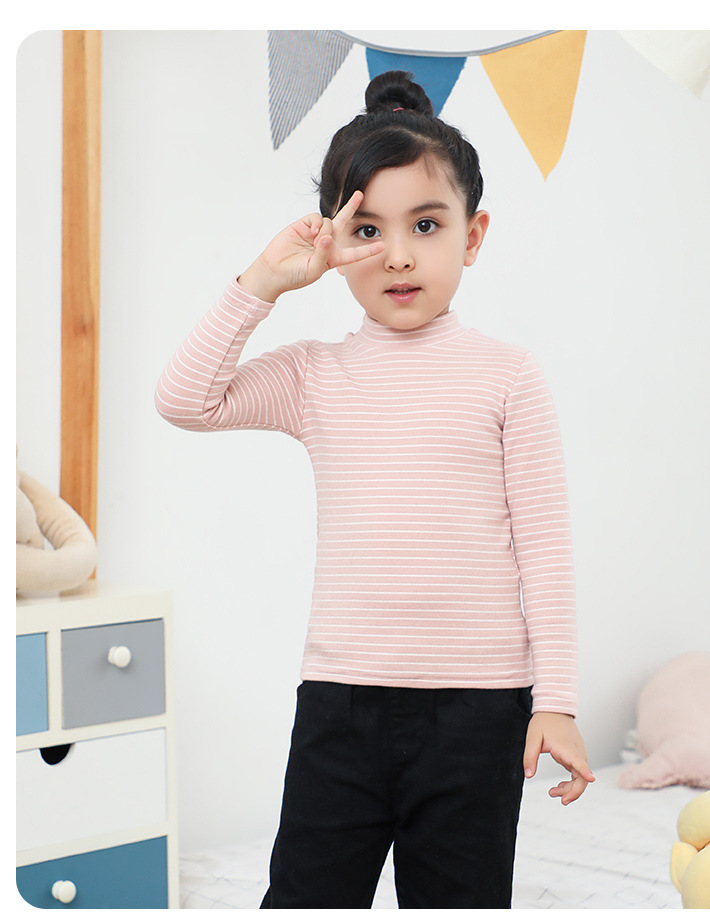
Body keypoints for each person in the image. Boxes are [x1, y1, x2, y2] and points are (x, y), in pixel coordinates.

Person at [155, 70, 595, 910]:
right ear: (332, 242)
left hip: (479, 713)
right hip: (342, 706)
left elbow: (543, 550)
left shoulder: (508, 377)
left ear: (472, 235)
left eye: (426, 225)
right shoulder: (313, 375)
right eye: (366, 229)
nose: (397, 254)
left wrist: (558, 702)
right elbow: (185, 400)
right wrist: (264, 281)